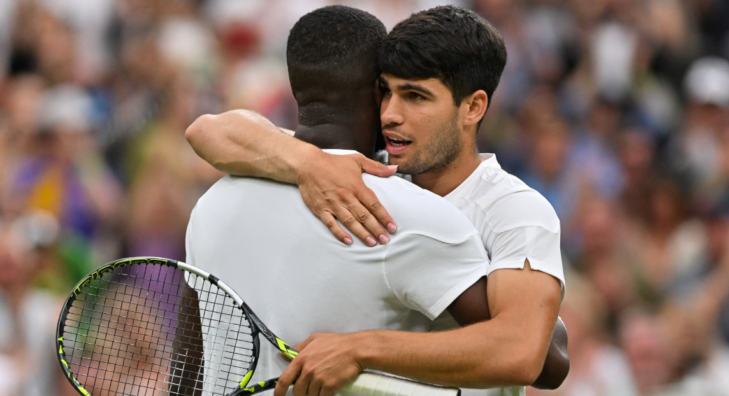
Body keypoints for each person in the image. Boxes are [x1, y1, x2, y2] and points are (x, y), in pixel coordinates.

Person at [186, 6, 567, 396]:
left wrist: (360, 349)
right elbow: (207, 131)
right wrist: (308, 164)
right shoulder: (361, 173)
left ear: (473, 107)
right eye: (386, 92)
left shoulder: (517, 211)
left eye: (415, 97)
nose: (390, 115)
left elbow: (527, 354)